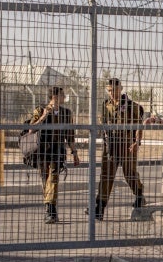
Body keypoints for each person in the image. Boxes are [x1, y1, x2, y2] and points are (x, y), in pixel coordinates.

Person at [91, 77, 145, 220]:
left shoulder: (131, 106)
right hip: (111, 144)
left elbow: (139, 126)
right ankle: (100, 207)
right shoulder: (105, 105)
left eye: (113, 90)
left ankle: (139, 195)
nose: (111, 93)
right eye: (108, 91)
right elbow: (102, 123)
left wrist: (137, 142)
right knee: (106, 175)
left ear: (120, 88)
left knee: (130, 174)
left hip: (127, 144)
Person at [28, 86, 80, 224]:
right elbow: (31, 129)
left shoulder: (66, 113)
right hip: (43, 151)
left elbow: (70, 135)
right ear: (55, 97)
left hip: (57, 151)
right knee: (45, 181)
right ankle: (51, 211)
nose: (65, 97)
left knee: (54, 180)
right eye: (63, 95)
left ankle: (50, 211)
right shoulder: (40, 110)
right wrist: (44, 116)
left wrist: (74, 153)